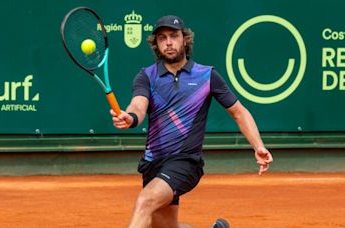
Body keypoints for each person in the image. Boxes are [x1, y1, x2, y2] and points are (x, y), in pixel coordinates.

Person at [110, 15, 273, 228]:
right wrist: (130, 118)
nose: (168, 42)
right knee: (165, 227)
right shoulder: (146, 76)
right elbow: (138, 105)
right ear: (156, 44)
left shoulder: (207, 76)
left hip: (186, 161)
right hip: (153, 164)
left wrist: (258, 146)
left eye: (174, 36)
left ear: (185, 40)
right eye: (162, 38)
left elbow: (239, 112)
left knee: (145, 201)